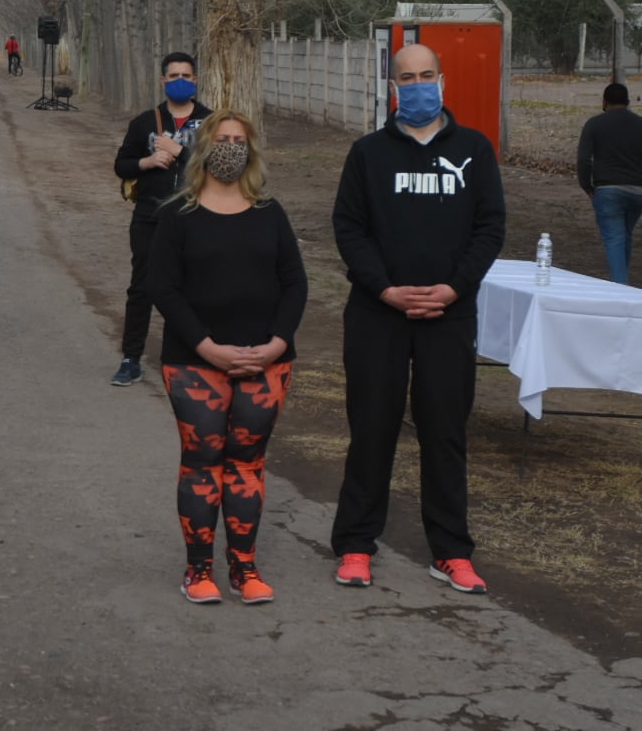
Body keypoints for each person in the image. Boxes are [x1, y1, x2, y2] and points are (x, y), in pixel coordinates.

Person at [330, 43, 506, 595]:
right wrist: (386, 290)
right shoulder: (368, 153)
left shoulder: (475, 150)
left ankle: (451, 552)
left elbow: (490, 228)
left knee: (445, 435)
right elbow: (349, 229)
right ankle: (356, 546)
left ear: (443, 81)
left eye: (427, 75)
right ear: (393, 87)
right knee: (372, 432)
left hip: (447, 318)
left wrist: (453, 289)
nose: (418, 85)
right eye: (407, 77)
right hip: (377, 316)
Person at [146, 111, 307, 604]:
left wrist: (276, 344)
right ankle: (199, 571)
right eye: (222, 139)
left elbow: (295, 284)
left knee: (248, 464)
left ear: (251, 149)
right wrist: (208, 346)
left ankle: (244, 567)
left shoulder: (270, 211)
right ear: (204, 148)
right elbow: (164, 289)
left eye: (240, 140)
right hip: (196, 362)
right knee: (202, 462)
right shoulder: (176, 215)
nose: (231, 147)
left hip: (267, 361)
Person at [111, 53, 213, 387]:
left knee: (189, 289)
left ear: (196, 80)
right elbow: (121, 165)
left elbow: (218, 169)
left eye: (186, 74)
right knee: (143, 287)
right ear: (163, 81)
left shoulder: (212, 123)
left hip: (195, 218)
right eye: (173, 75)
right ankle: (130, 358)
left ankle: (180, 355)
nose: (180, 80)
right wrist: (148, 161)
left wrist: (181, 152)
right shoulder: (144, 122)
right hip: (150, 217)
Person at [576, 82, 642, 284]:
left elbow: (583, 159)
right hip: (637, 193)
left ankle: (620, 287)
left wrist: (586, 185)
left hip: (607, 190)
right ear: (628, 102)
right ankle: (622, 279)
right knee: (624, 235)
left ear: (604, 101)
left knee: (614, 239)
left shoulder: (594, 124)